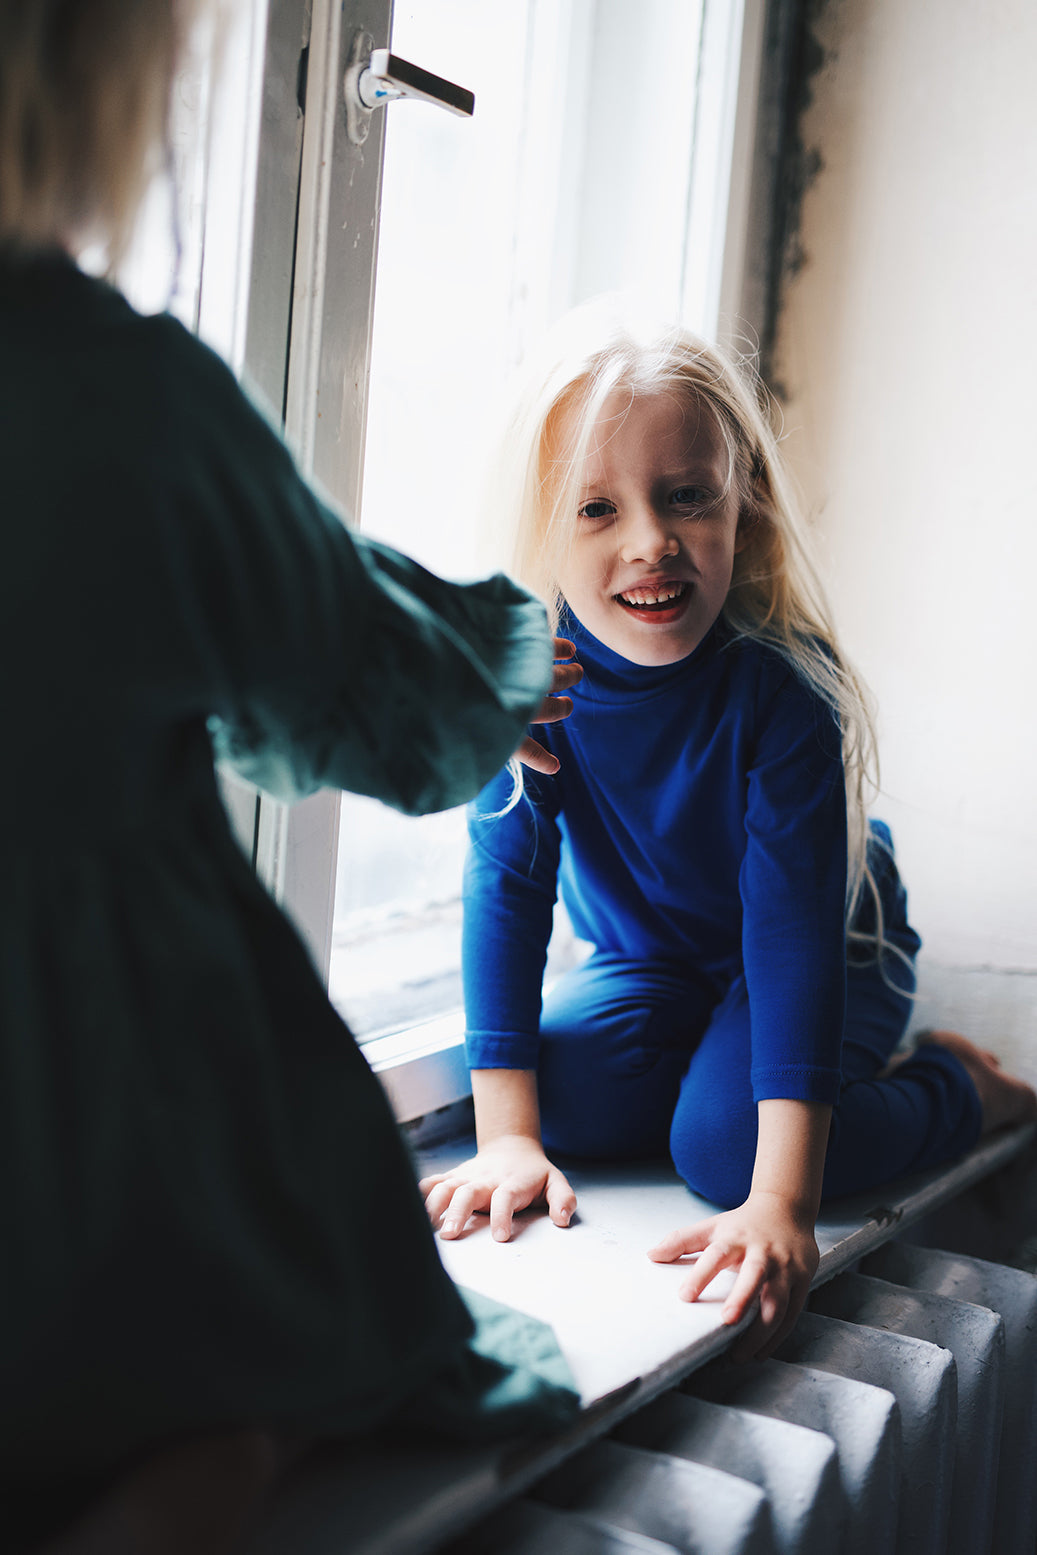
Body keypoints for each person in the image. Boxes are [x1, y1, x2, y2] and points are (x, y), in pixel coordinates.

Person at [0, 3, 582, 1551]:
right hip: (107, 1167)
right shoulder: (129, 402)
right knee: (244, 1370)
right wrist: (509, 661)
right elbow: (373, 694)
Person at [421, 301, 1037, 1366]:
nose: (649, 542)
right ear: (542, 523)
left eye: (682, 497)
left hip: (831, 942)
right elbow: (506, 891)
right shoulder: (534, 686)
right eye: (596, 508)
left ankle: (959, 1087)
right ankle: (715, 1068)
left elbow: (792, 942)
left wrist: (779, 1202)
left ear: (739, 498)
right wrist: (506, 1140)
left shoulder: (781, 691)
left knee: (717, 1149)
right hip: (653, 958)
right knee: (552, 1100)